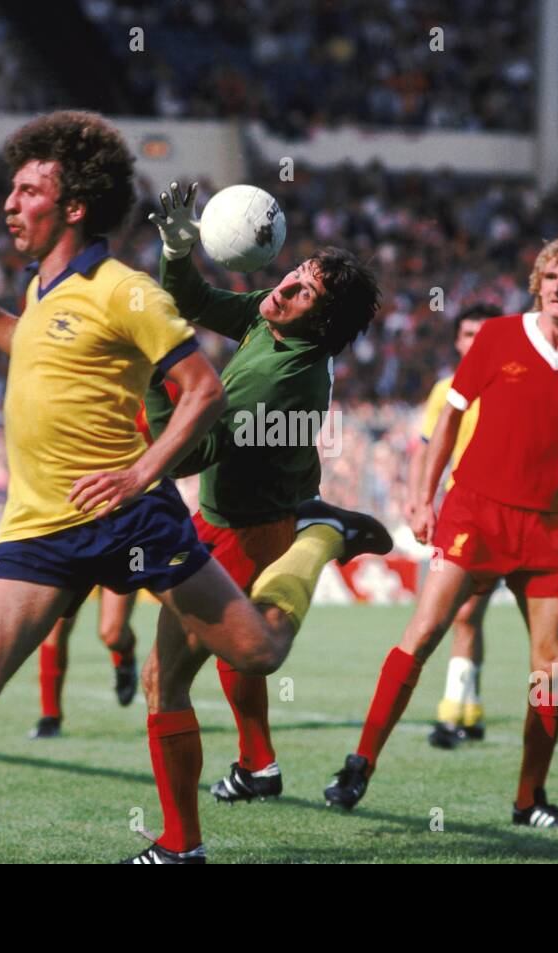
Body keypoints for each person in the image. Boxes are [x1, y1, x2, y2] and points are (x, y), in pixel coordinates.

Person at [0, 112, 388, 866]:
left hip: (134, 518)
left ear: (72, 206)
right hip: (39, 521)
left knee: (255, 652)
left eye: (29, 189)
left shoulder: (129, 295)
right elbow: (26, 335)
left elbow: (198, 392)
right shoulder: (48, 287)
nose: (8, 203)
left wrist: (141, 469)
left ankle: (323, 534)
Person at [323, 234, 558, 828]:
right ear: (537, 285)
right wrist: (423, 499)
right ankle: (360, 763)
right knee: (422, 634)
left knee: (553, 668)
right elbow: (448, 420)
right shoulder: (498, 337)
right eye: (549, 276)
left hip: (545, 529)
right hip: (475, 512)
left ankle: (529, 800)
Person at [142, 183, 382, 807]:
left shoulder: (286, 381)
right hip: (233, 513)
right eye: (294, 274)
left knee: (175, 674)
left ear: (322, 319)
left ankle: (180, 840)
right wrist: (175, 250)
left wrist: (154, 377)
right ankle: (258, 767)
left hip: (251, 526)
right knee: (226, 657)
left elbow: (187, 455)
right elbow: (193, 299)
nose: (284, 289)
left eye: (305, 290)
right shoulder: (276, 322)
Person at [408, 303, 500, 749]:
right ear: (457, 340)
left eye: (483, 333)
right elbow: (425, 449)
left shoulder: (511, 388)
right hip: (457, 514)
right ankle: (470, 710)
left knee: (463, 614)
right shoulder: (445, 390)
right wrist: (418, 500)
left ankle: (451, 715)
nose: (473, 341)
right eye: (467, 333)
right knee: (464, 618)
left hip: (503, 513)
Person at [29, 590, 139, 739]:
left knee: (113, 635)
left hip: (116, 566)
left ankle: (125, 658)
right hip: (72, 566)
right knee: (57, 624)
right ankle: (50, 716)